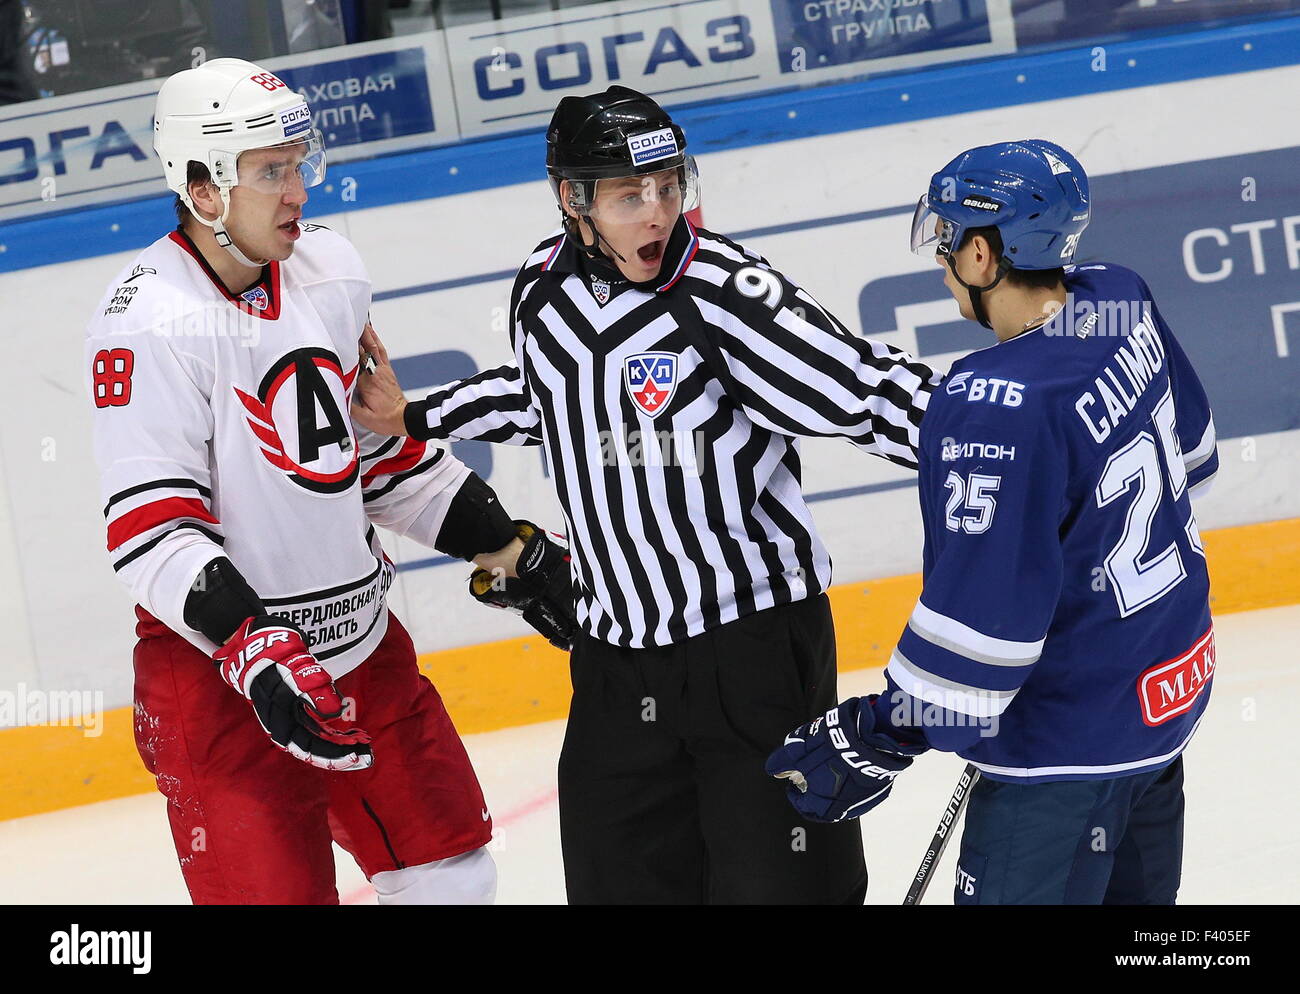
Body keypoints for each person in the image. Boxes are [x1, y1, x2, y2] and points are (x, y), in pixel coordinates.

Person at [351, 85, 941, 904]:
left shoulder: (726, 292)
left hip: (755, 653)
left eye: (669, 185)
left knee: (790, 891)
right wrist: (416, 413)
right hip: (617, 668)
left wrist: (1011, 444)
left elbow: (863, 391)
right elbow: (545, 395)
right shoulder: (541, 289)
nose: (658, 211)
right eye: (630, 195)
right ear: (574, 201)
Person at [86, 57, 571, 905]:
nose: (297, 191)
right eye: (270, 172)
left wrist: (508, 547)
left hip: (362, 650)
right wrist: (254, 646)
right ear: (203, 190)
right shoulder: (145, 323)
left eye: (299, 164)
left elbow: (371, 460)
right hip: (218, 682)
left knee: (455, 876)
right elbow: (151, 529)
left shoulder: (330, 272)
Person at [767, 140, 1219, 905]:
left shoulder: (990, 401)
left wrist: (879, 734)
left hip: (1058, 762)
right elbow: (1193, 458)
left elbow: (980, 636)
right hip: (1165, 707)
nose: (942, 261)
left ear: (984, 254)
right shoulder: (1121, 297)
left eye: (948, 240)